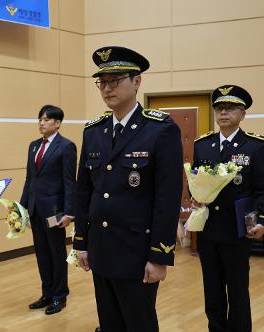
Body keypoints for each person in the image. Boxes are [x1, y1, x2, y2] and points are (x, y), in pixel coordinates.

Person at [73, 46, 183, 332]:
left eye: (115, 80)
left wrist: (160, 256)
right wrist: (81, 242)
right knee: (109, 323)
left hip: (137, 250)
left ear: (137, 82)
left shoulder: (160, 129)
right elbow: (84, 190)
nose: (107, 88)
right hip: (101, 248)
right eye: (102, 82)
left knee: (139, 323)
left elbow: (167, 198)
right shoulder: (93, 131)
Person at [192, 85, 264, 332]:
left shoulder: (255, 146)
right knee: (211, 289)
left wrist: (262, 220)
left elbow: (262, 189)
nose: (223, 113)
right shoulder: (203, 145)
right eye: (219, 108)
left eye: (230, 108)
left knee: (237, 289)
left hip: (236, 230)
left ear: (242, 114)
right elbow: (197, 181)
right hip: (208, 229)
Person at [20, 105, 77, 315]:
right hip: (35, 209)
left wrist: (69, 212)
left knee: (56, 252)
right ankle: (47, 293)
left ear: (58, 123)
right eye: (40, 119)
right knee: (42, 254)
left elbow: (70, 181)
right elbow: (30, 179)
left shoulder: (66, 147)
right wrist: (22, 207)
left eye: (46, 119)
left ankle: (60, 295)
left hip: (55, 212)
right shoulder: (33, 146)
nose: (41, 123)